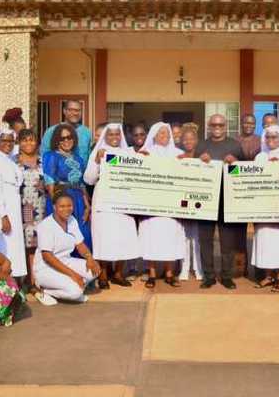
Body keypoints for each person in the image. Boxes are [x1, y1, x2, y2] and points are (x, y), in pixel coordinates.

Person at [82, 123, 140, 289]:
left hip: (123, 201)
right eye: (110, 135)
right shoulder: (99, 152)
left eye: (117, 134)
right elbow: (89, 179)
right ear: (104, 137)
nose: (114, 138)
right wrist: (96, 161)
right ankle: (103, 275)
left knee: (123, 236)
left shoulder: (128, 152)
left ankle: (119, 273)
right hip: (104, 201)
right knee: (104, 238)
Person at [196, 114, 246, 289]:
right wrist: (199, 162)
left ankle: (226, 276)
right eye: (213, 124)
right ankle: (208, 276)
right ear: (209, 126)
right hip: (206, 201)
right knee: (205, 241)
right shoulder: (201, 145)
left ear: (225, 126)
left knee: (227, 242)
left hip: (227, 200)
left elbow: (246, 172)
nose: (217, 127)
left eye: (220, 124)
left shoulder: (235, 145)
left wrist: (236, 163)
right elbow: (191, 172)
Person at [138, 123, 186, 288]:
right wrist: (140, 159)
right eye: (160, 133)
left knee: (170, 238)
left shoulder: (179, 154)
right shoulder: (146, 153)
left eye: (166, 132)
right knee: (151, 238)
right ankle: (151, 274)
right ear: (154, 135)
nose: (164, 135)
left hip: (172, 205)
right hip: (152, 204)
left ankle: (169, 274)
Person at [250, 125, 279, 292]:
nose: (271, 141)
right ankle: (268, 275)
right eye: (268, 138)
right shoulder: (260, 157)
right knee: (265, 239)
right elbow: (251, 178)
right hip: (264, 206)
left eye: (274, 137)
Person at [33, 190, 101, 303]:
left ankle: (72, 285)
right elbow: (48, 257)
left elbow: (80, 244)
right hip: (46, 268)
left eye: (69, 206)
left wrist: (89, 258)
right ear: (54, 207)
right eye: (62, 206)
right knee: (76, 292)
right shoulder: (46, 226)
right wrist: (74, 275)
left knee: (95, 269)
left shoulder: (72, 220)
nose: (66, 209)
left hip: (66, 261)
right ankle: (44, 290)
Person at [42, 123, 91, 250]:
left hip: (78, 201)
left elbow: (81, 183)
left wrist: (87, 205)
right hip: (60, 199)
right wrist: (56, 207)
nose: (66, 141)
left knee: (82, 235)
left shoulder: (79, 159)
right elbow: (50, 182)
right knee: (62, 236)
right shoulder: (51, 156)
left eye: (69, 137)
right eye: (62, 138)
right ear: (57, 141)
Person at [0, 129, 27, 280]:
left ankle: (15, 282)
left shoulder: (10, 160)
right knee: (5, 247)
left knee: (15, 247)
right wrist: (3, 216)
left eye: (11, 141)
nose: (8, 144)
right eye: (4, 141)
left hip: (15, 209)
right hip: (4, 211)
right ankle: (5, 282)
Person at [15, 129, 49, 302]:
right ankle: (24, 281)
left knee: (36, 246)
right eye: (24, 140)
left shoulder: (43, 161)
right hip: (21, 209)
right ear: (19, 143)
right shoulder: (14, 162)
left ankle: (34, 280)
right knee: (23, 245)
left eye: (32, 140)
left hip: (40, 209)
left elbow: (49, 184)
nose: (28, 143)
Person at [176, 128, 204, 282]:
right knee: (184, 238)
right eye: (185, 139)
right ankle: (184, 268)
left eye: (191, 138)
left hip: (200, 201)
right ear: (181, 141)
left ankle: (198, 269)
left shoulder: (203, 158)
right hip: (183, 201)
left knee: (197, 238)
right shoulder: (177, 157)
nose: (188, 142)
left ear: (196, 140)